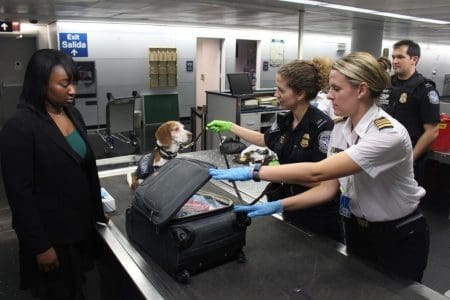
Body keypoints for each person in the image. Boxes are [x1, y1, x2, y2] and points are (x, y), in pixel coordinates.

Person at [209, 52, 429, 283]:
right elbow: (327, 188)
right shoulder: (341, 130)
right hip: (357, 229)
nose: (328, 96)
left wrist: (253, 172)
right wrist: (278, 205)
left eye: (336, 89)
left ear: (361, 90)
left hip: (395, 234)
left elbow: (318, 171)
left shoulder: (387, 134)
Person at [0, 49, 108, 299]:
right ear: (40, 84)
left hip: (78, 228)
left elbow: (85, 169)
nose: (73, 90)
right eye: (64, 84)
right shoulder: (20, 127)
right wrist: (40, 246)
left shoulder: (72, 114)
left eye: (73, 83)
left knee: (78, 288)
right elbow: (20, 194)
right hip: (52, 237)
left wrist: (97, 212)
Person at [207, 58, 341, 241]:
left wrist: (266, 173)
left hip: (315, 215)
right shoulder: (286, 120)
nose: (276, 94)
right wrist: (230, 126)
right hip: (289, 206)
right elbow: (265, 140)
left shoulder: (322, 127)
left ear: (300, 93)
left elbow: (320, 182)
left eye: (281, 90)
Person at [379, 40, 440, 184]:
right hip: (383, 153)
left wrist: (410, 159)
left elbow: (432, 131)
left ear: (414, 59)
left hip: (407, 158)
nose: (394, 61)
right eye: (393, 57)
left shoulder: (424, 89)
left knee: (403, 203)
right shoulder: (387, 84)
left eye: (400, 57)